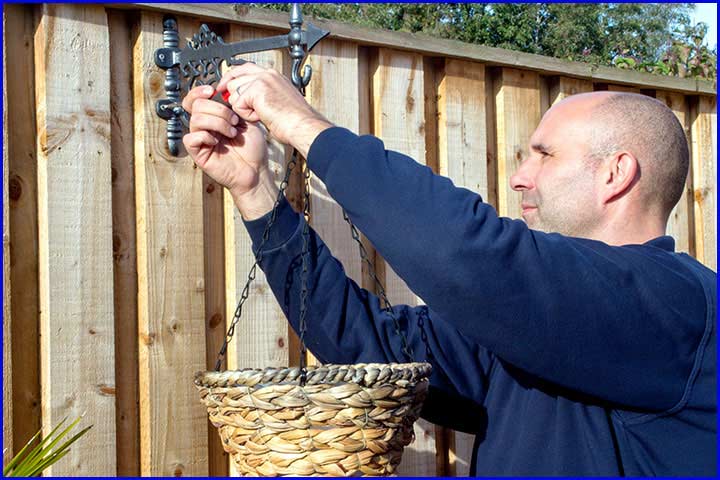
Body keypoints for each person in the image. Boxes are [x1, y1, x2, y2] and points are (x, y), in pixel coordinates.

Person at [182, 63, 716, 476]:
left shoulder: (681, 307)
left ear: (616, 173)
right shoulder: (533, 328)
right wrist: (255, 191)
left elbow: (470, 255)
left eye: (545, 155)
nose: (520, 178)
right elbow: (364, 343)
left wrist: (303, 126)